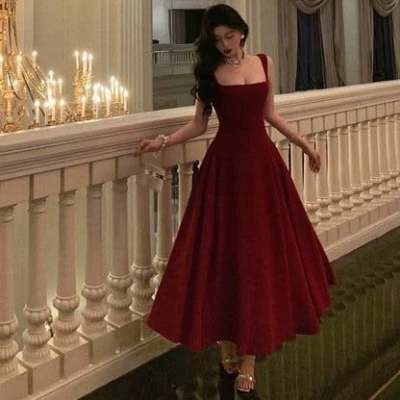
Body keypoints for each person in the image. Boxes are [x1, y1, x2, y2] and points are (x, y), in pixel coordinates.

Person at [135, 4, 335, 395]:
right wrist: (162, 141)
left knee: (258, 259)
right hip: (225, 171)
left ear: (241, 31)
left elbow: (271, 115)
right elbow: (198, 125)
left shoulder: (264, 62)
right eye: (217, 40)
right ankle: (226, 349)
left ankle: (248, 362)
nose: (225, 45)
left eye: (229, 36)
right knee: (226, 260)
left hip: (261, 169)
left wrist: (306, 145)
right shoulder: (211, 72)